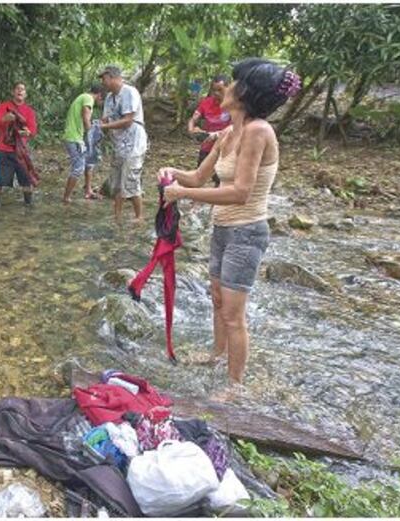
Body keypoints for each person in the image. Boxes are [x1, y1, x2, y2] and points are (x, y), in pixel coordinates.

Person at [158, 58, 300, 398]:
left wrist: (182, 193)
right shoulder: (227, 133)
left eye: (234, 83)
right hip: (222, 230)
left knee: (234, 315)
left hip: (247, 232)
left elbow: (240, 193)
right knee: (219, 300)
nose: (225, 87)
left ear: (246, 93)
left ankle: (236, 386)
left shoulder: (258, 131)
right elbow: (197, 177)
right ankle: (215, 355)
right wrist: (171, 173)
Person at [99, 65, 148, 222]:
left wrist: (104, 126)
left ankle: (139, 217)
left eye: (104, 78)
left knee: (131, 179)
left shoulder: (129, 92)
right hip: (119, 144)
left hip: (134, 143)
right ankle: (117, 216)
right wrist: (99, 127)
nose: (103, 82)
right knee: (118, 181)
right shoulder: (108, 98)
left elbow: (127, 121)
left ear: (114, 78)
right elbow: (105, 120)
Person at [0, 82, 38, 207]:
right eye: (18, 89)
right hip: (4, 150)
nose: (20, 91)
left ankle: (28, 207)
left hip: (21, 151)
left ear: (25, 94)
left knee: (27, 182)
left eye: (22, 89)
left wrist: (28, 132)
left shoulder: (29, 111)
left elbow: (33, 131)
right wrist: (4, 119)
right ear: (13, 92)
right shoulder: (3, 107)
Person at [62, 84, 104, 203]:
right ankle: (66, 197)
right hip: (74, 138)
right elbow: (86, 118)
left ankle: (88, 191)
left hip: (74, 136)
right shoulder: (88, 98)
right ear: (99, 95)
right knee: (78, 168)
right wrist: (92, 130)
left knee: (88, 162)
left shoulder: (82, 97)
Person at [187, 75, 231, 186]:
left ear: (228, 88)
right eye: (214, 90)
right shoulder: (206, 102)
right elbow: (194, 119)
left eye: (220, 90)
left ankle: (218, 202)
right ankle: (193, 200)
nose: (216, 93)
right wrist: (191, 128)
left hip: (226, 148)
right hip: (207, 147)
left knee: (221, 180)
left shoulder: (233, 105)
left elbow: (235, 128)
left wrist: (216, 135)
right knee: (199, 176)